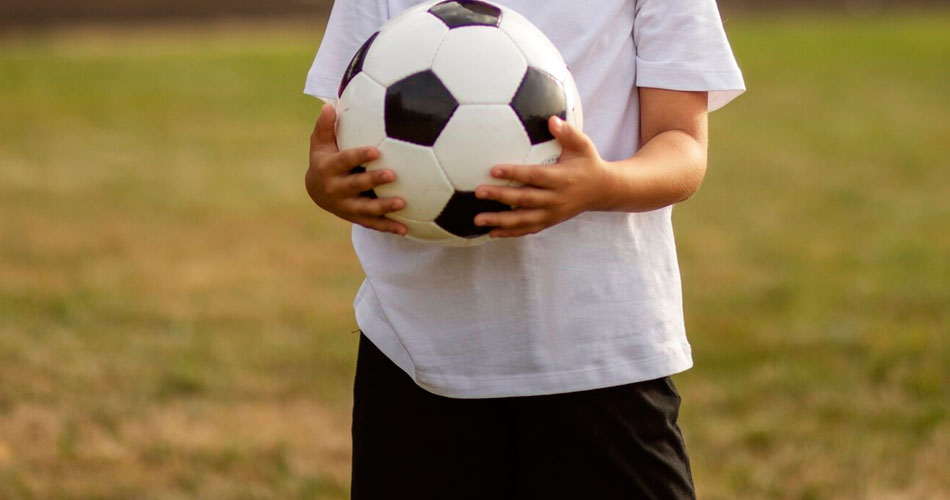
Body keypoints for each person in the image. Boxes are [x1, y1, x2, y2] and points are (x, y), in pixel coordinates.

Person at [304, 0, 744, 498]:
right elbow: (342, 133)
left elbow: (681, 145)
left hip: (599, 352)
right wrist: (325, 183)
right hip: (415, 356)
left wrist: (603, 184)